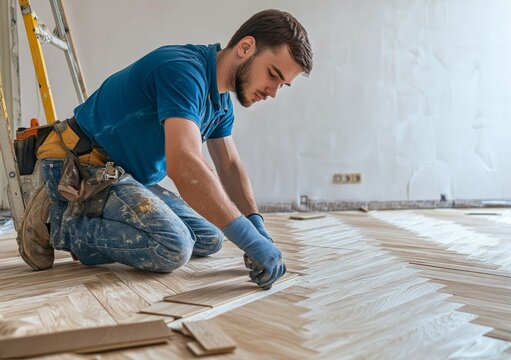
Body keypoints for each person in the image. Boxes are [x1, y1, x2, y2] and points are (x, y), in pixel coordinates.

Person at [17, 9, 313, 289]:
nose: (273, 93)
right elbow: (184, 165)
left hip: (122, 175)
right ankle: (55, 222)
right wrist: (249, 240)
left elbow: (229, 166)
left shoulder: (221, 99)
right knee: (173, 246)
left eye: (282, 85)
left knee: (211, 237)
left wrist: (255, 227)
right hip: (83, 166)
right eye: (273, 75)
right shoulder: (183, 71)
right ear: (246, 47)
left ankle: (81, 218)